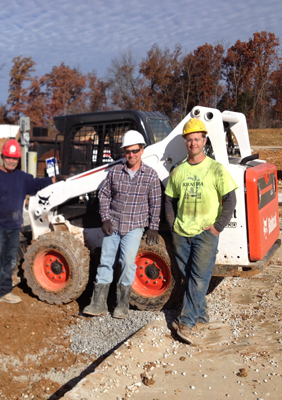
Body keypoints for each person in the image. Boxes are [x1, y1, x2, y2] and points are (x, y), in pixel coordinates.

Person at [165, 118, 237, 345]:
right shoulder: (178, 171)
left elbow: (230, 199)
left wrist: (217, 227)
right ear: (185, 142)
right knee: (189, 277)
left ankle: (186, 322)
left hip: (206, 234)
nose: (193, 143)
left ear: (204, 141)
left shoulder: (216, 169)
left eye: (197, 139)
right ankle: (202, 317)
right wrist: (173, 226)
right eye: (189, 139)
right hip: (182, 233)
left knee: (199, 277)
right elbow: (169, 200)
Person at [83, 130, 161, 319]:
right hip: (114, 224)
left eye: (135, 150)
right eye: (128, 151)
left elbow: (155, 202)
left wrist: (154, 226)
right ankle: (98, 303)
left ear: (142, 150)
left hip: (134, 226)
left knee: (127, 262)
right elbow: (104, 195)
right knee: (105, 261)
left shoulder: (150, 175)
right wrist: (105, 218)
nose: (131, 154)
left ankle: (122, 304)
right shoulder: (115, 172)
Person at [0, 139, 57, 312]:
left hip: (15, 227)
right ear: (2, 157)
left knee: (10, 262)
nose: (11, 161)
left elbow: (37, 184)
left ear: (18, 159)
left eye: (15, 158)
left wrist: (56, 179)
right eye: (8, 157)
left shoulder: (22, 178)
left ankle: (5, 291)